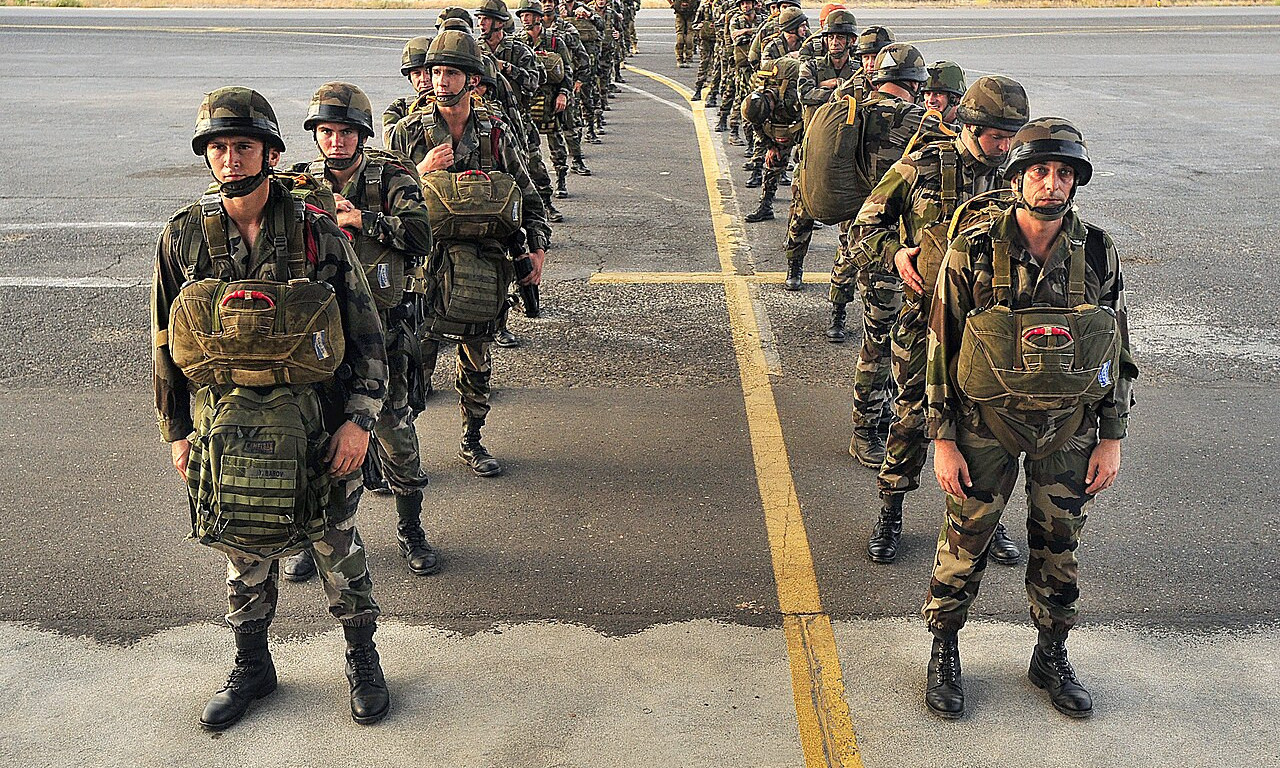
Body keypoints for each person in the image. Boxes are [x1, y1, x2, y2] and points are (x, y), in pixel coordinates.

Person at [152, 86, 390, 729]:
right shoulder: (183, 238)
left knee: (337, 545)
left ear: (269, 151)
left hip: (316, 424)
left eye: (244, 146)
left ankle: (362, 659)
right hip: (224, 427)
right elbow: (166, 343)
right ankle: (253, 666)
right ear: (208, 156)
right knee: (245, 547)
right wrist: (177, 431)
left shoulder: (316, 234)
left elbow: (365, 331)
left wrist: (359, 420)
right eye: (220, 147)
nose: (231, 159)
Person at [921, 118, 1137, 720]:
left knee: (1058, 546)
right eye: (1039, 171)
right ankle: (944, 648)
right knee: (966, 541)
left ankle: (1051, 653)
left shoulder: (1097, 249)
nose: (1051, 183)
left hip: (1069, 431)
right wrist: (943, 439)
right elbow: (940, 342)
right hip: (985, 424)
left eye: (1063, 172)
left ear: (1076, 182)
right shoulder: (972, 248)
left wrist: (1111, 436)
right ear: (1017, 177)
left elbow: (1114, 349)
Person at [848, 75, 1029, 565]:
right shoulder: (923, 164)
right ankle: (890, 512)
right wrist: (895, 255)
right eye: (996, 135)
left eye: (1012, 136)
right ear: (970, 125)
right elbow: (864, 225)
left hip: (988, 328)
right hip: (924, 318)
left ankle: (985, 520)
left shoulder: (1018, 178)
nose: (1005, 146)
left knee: (988, 425)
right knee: (909, 417)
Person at [283, 81, 440, 581]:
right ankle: (314, 539)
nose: (335, 142)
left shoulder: (389, 174)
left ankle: (411, 529)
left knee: (398, 442)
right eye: (326, 132)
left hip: (383, 337)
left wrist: (363, 219)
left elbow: (421, 234)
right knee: (319, 443)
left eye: (346, 131)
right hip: (322, 342)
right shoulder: (301, 183)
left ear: (361, 133)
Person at [387, 31, 550, 477]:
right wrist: (421, 172)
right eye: (436, 71)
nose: (440, 81)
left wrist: (536, 250)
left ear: (472, 79)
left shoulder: (495, 133)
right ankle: (401, 456)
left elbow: (527, 195)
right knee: (413, 364)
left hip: (484, 264)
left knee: (477, 359)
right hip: (428, 266)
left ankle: (473, 440)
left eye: (451, 72)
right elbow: (384, 202)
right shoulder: (409, 133)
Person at [827, 42, 932, 469]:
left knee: (878, 337)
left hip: (863, 238)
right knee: (885, 342)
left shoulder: (854, 108)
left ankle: (871, 422)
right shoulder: (916, 123)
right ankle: (866, 430)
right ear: (914, 84)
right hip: (898, 247)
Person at [780, 7, 856, 288]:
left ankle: (845, 278)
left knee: (850, 220)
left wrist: (827, 87)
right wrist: (838, 89)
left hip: (845, 153)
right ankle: (794, 264)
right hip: (812, 147)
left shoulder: (858, 69)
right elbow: (805, 95)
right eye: (831, 37)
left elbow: (864, 98)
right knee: (802, 212)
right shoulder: (810, 65)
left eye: (841, 37)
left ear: (850, 41)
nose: (835, 42)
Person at [670, 0, 700, 67]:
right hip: (691, 10)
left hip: (680, 10)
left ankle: (679, 58)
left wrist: (672, 3)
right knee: (690, 34)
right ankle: (688, 58)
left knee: (680, 33)